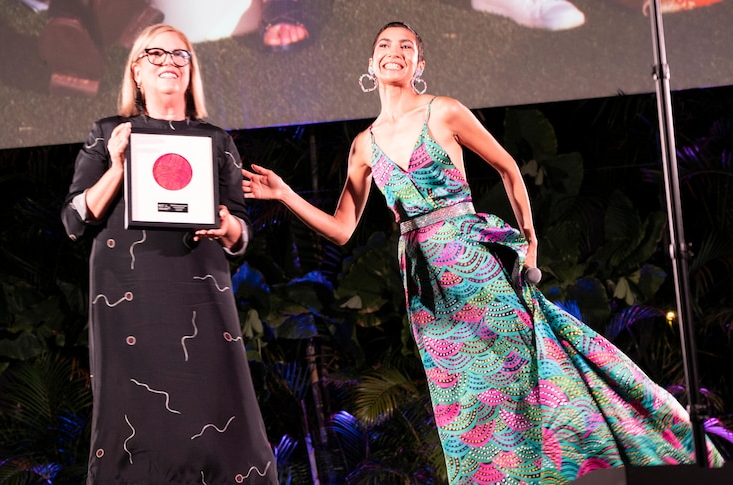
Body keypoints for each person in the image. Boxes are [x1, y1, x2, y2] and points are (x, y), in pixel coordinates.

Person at [242, 20, 725, 485]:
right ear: (370, 62)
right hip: (428, 289)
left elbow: (509, 169)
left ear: (419, 62)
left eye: (406, 46)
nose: (395, 51)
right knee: (466, 403)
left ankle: (595, 460)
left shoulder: (444, 111)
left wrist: (530, 238)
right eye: (385, 45)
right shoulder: (362, 146)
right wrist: (286, 194)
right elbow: (343, 228)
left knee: (524, 377)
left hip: (475, 265)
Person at [61, 23, 277, 484]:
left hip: (198, 292)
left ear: (191, 70)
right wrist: (118, 166)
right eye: (155, 54)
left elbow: (241, 232)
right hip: (129, 296)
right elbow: (75, 220)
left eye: (180, 55)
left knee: (218, 402)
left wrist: (227, 225)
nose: (169, 63)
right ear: (136, 70)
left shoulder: (216, 140)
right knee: (133, 415)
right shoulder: (108, 134)